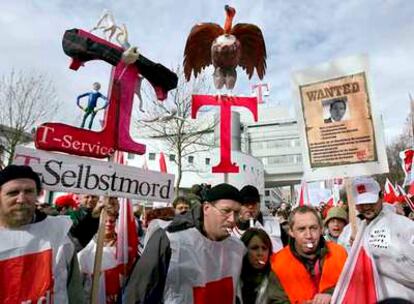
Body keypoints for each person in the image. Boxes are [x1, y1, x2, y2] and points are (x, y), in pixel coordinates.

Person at [123, 183, 246, 303]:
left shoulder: (238, 248)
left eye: (236, 213)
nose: (232, 219)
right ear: (206, 208)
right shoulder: (170, 240)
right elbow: (138, 294)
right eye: (226, 211)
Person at [0, 165, 84, 303]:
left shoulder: (58, 232)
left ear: (37, 195)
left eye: (28, 191)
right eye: (13, 192)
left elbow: (74, 290)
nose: (21, 199)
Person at [350, 176, 414, 300]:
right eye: (362, 203)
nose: (367, 206)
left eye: (371, 201)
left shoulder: (403, 225)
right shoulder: (350, 231)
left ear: (381, 197)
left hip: (402, 299)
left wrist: (372, 255)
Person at [270, 205, 347, 304]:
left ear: (321, 229)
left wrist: (331, 294)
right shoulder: (277, 262)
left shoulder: (339, 253)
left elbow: (353, 286)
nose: (309, 235)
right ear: (291, 231)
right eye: (301, 229)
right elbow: (275, 300)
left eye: (313, 228)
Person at [78, 212, 123, 303]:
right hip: (90, 291)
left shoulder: (121, 244)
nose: (108, 224)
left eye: (111, 221)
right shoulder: (91, 242)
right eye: (105, 221)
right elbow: (80, 264)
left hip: (112, 294)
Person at [232, 185, 283, 252]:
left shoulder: (274, 226)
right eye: (246, 203)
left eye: (253, 203)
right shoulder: (230, 229)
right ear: (239, 206)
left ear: (259, 205)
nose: (250, 207)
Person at [238, 228, 279, 304]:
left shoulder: (275, 279)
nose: (260, 253)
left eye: (264, 248)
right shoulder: (235, 277)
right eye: (254, 248)